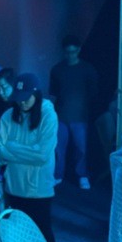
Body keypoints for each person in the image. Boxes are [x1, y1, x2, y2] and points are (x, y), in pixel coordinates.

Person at [0, 73, 59, 242]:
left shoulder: (48, 115)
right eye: (19, 98)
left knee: (43, 230)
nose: (22, 102)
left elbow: (42, 155)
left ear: (36, 94)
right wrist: (26, 151)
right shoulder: (8, 115)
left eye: (26, 98)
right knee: (19, 231)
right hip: (14, 186)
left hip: (39, 188)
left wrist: (12, 146)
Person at [49, 35, 98, 189]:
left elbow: (93, 93)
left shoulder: (87, 69)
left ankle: (82, 175)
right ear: (64, 52)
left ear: (79, 50)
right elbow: (53, 94)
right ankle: (58, 175)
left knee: (81, 149)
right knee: (58, 148)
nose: (71, 55)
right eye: (68, 52)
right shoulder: (57, 69)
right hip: (61, 115)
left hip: (80, 116)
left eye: (73, 52)